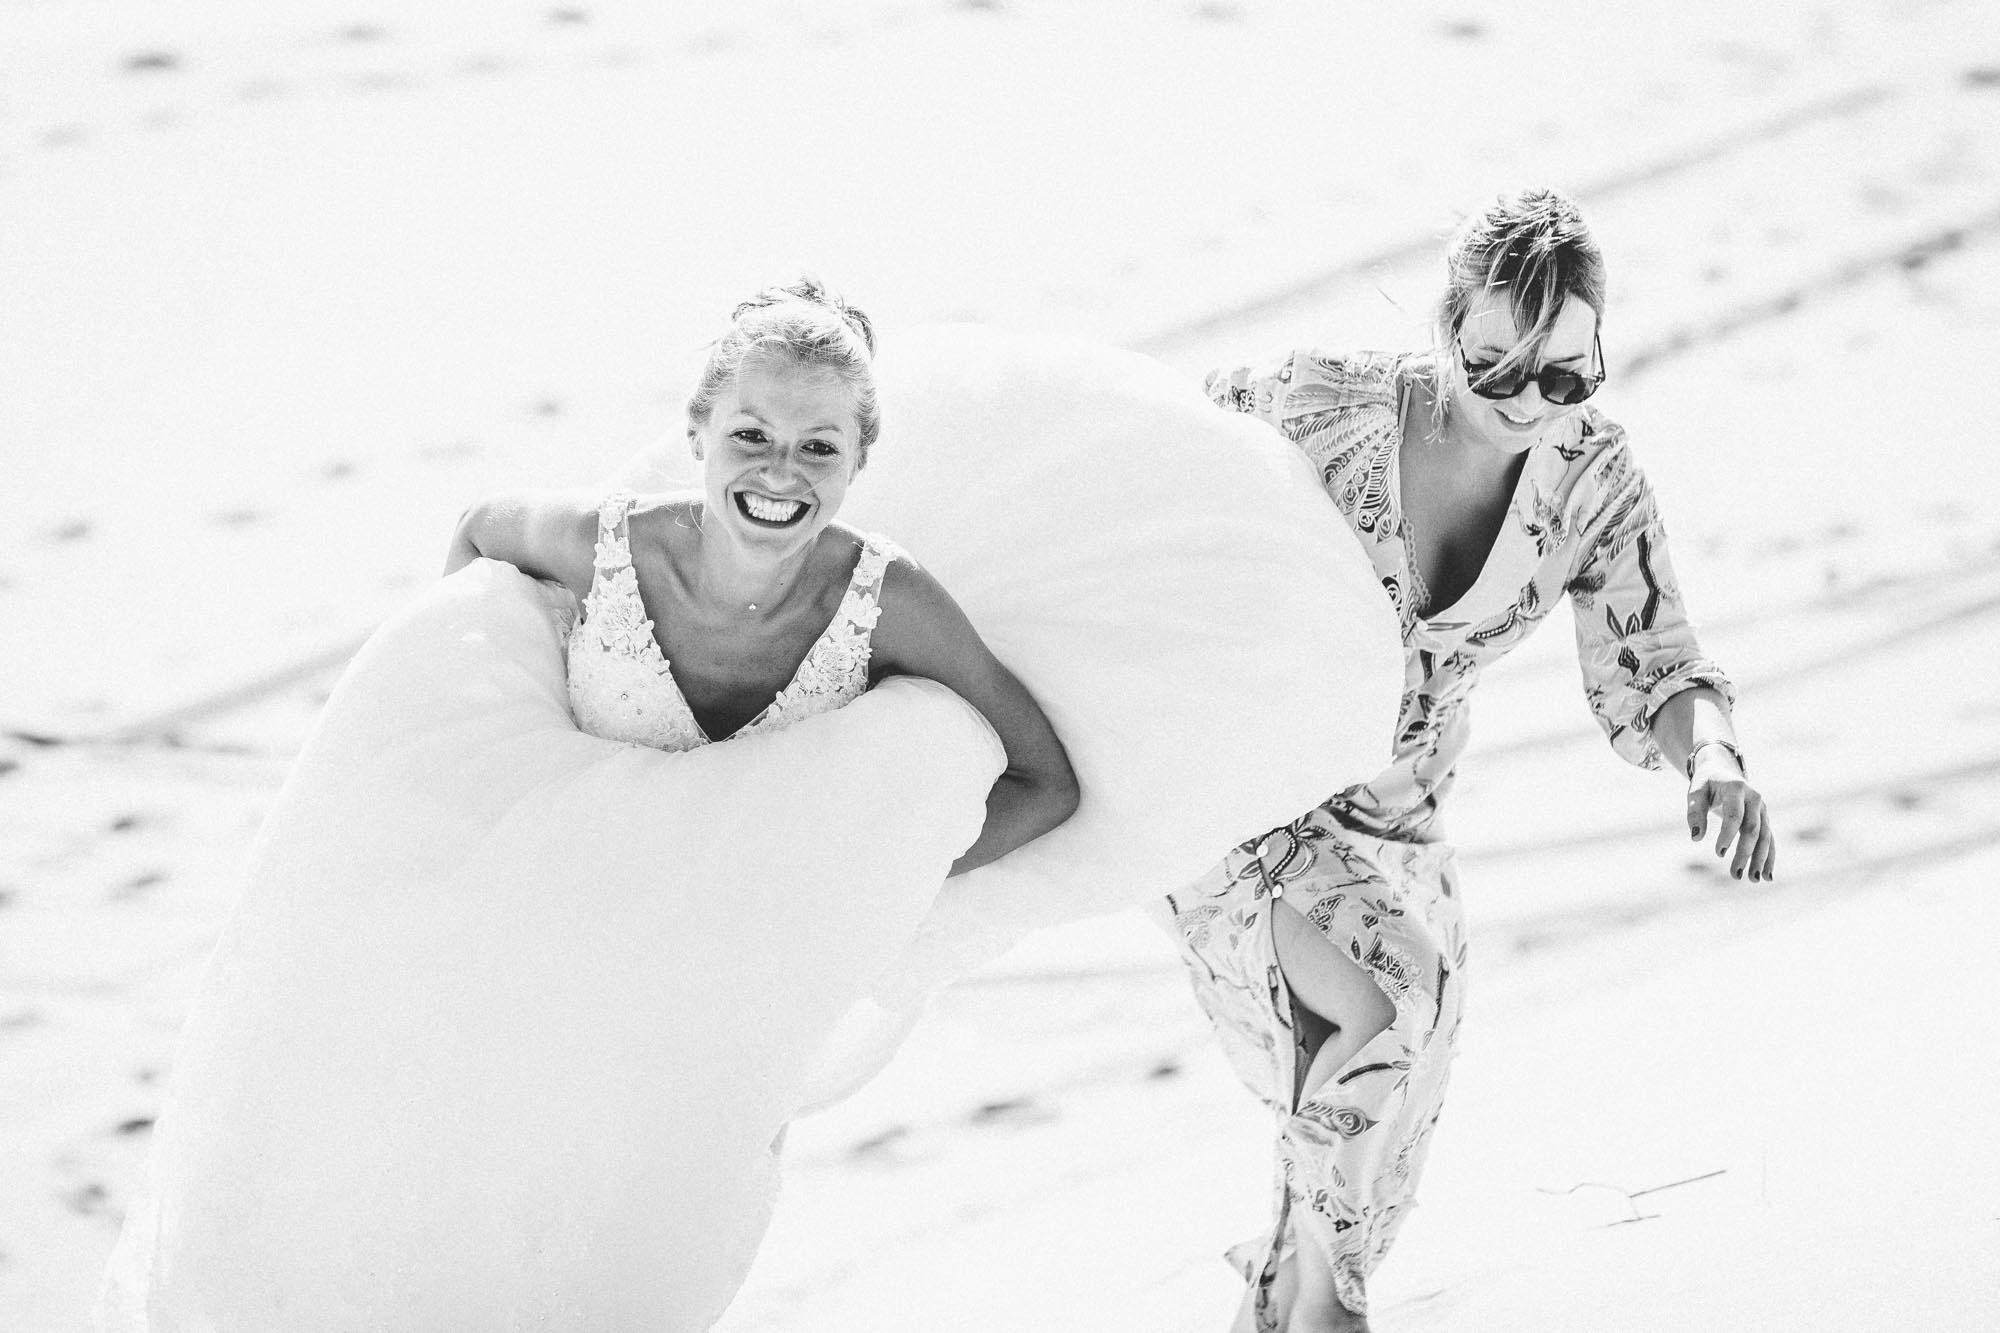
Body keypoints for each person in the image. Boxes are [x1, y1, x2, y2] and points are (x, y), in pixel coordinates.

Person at [1168, 188, 1778, 1331]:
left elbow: (1654, 660)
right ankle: (1325, 1313)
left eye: (1560, 376)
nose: (1520, 401)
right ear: (1443, 327)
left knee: (1369, 1115)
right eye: (1489, 365)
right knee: (1384, 1003)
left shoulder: (1591, 478)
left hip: (1399, 819)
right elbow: (1141, 464)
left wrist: (1714, 760)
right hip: (1250, 790)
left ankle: (1297, 1307)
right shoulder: (1315, 402)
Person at [447, 279, 1078, 867]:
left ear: (857, 461)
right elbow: (477, 527)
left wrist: (868, 888)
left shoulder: (884, 600)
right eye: (752, 435)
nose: (780, 473)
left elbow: (1044, 784)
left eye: (819, 447)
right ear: (698, 435)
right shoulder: (603, 547)